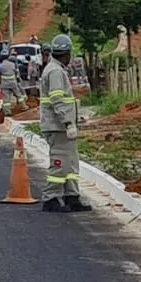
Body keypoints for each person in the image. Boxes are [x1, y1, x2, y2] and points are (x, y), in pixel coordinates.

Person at [39, 34, 88, 211]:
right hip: (58, 126)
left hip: (62, 125)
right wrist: (68, 122)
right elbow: (57, 100)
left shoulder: (56, 69)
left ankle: (72, 196)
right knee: (60, 163)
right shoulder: (55, 72)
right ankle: (50, 198)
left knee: (71, 162)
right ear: (67, 54)